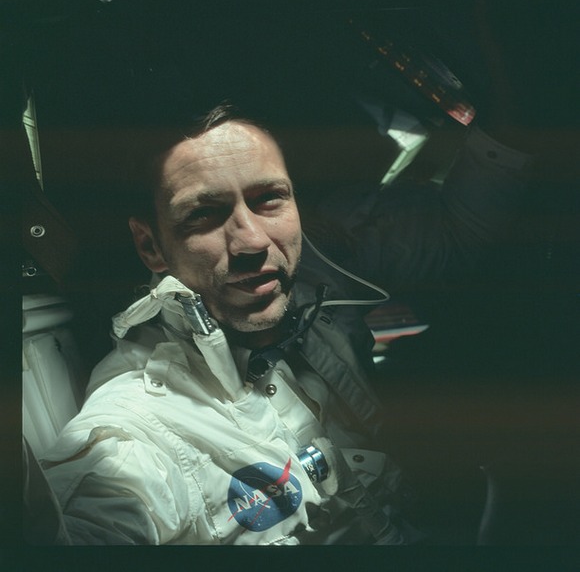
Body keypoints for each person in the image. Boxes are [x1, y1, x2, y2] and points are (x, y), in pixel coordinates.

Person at [41, 100, 535, 545]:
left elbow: (461, 234)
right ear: (151, 246)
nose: (252, 241)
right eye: (205, 214)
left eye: (268, 199)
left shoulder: (319, 276)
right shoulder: (137, 428)